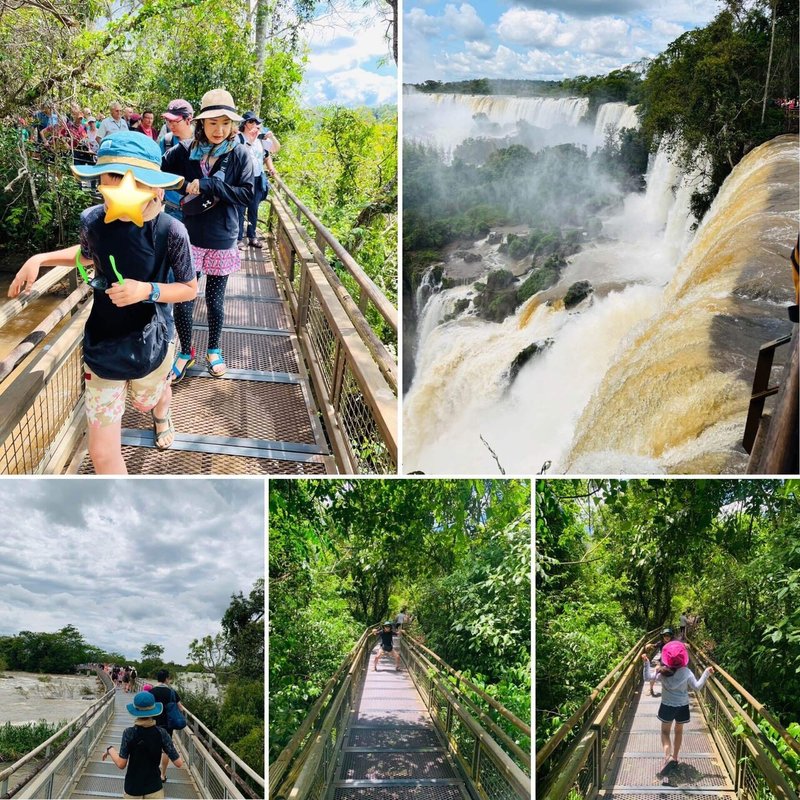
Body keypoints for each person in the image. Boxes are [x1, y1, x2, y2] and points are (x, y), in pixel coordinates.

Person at [8, 132, 198, 473]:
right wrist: (41, 257)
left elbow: (189, 288)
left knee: (148, 400)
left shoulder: (171, 231)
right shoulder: (93, 221)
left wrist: (147, 291)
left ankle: (161, 412)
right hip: (103, 344)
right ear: (100, 183)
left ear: (155, 188)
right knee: (102, 452)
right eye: (112, 182)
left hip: (153, 338)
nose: (120, 196)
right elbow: (86, 254)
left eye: (134, 184)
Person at [162, 88, 253, 383]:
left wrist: (209, 186)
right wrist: (183, 186)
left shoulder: (240, 153)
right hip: (190, 236)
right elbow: (161, 173)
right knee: (184, 299)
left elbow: (247, 195)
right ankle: (185, 351)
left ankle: (214, 348)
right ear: (201, 123)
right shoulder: (186, 151)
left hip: (222, 237)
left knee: (215, 300)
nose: (219, 129)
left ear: (233, 125)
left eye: (225, 123)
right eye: (213, 122)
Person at [641, 640, 714, 784]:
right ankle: (674, 757)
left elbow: (646, 678)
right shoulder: (686, 672)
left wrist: (646, 663)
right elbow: (697, 687)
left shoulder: (661, 671)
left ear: (666, 658)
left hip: (667, 706)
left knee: (665, 733)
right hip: (682, 707)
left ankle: (667, 757)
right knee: (679, 732)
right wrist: (706, 673)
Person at [102, 690, 184, 799]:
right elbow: (179, 763)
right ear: (154, 710)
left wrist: (110, 750)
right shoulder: (162, 733)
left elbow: (121, 764)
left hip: (133, 788)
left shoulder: (129, 733)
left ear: (135, 710)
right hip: (154, 788)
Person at [236, 111, 269, 250]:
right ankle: (238, 238)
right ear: (244, 123)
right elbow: (237, 154)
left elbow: (273, 150)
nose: (254, 125)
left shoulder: (260, 140)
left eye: (256, 122)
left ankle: (252, 236)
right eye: (251, 122)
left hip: (256, 178)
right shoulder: (238, 138)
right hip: (242, 179)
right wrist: (249, 140)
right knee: (240, 209)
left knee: (253, 209)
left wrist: (269, 136)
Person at [149, 669, 187, 784]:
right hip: (167, 725)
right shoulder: (171, 692)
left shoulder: (151, 691)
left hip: (153, 724)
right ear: (166, 679)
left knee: (152, 747)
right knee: (166, 750)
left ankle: (151, 772)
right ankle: (162, 775)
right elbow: (180, 708)